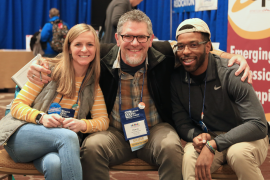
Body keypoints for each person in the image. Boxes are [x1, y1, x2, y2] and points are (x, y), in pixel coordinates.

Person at [27, 10, 251, 180]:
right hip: (113, 130)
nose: (135, 43)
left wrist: (232, 56)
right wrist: (37, 65)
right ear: (117, 38)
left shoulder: (163, 53)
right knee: (92, 148)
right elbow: (70, 55)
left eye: (142, 38)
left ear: (151, 39)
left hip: (155, 128)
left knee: (172, 148)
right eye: (128, 37)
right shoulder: (101, 56)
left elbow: (196, 48)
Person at [0, 23, 109, 180]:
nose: (84, 49)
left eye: (90, 44)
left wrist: (82, 125)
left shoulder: (92, 85)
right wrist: (41, 118)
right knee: (68, 137)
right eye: (78, 44)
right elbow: (17, 106)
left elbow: (103, 121)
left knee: (54, 164)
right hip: (21, 137)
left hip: (55, 145)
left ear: (96, 49)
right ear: (69, 48)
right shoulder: (46, 70)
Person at [171, 18, 269, 180]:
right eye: (181, 46)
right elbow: (181, 122)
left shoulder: (233, 73)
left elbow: (258, 125)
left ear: (208, 46)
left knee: (238, 154)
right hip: (210, 136)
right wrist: (198, 136)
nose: (186, 51)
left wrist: (214, 144)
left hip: (245, 136)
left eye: (194, 45)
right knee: (190, 156)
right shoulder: (176, 78)